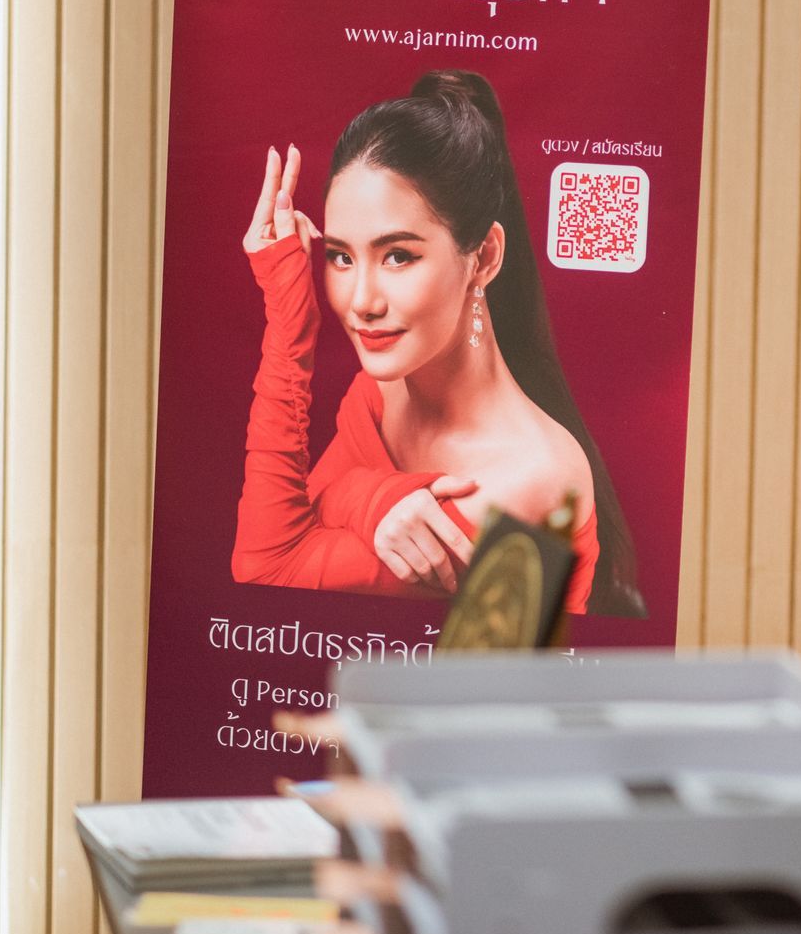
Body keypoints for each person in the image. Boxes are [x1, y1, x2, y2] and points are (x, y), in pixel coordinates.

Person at [232, 69, 646, 617]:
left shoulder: (525, 481)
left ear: (484, 258)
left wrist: (290, 326)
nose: (362, 301)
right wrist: (372, 499)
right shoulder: (382, 395)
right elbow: (293, 528)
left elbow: (266, 566)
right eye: (341, 256)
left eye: (398, 255)